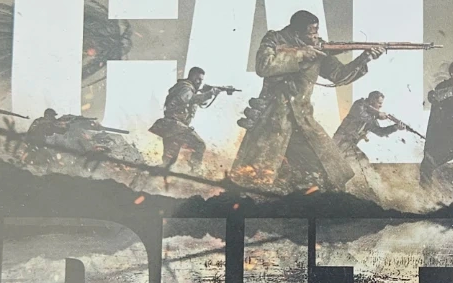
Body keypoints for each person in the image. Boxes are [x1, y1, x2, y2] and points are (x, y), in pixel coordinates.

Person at [230, 10, 382, 191]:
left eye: (316, 31)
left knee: (328, 168)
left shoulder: (317, 47)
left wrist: (364, 59)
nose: (315, 36)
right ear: (296, 33)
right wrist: (300, 54)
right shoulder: (275, 39)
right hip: (272, 119)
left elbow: (338, 75)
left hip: (302, 120)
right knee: (256, 176)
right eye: (311, 32)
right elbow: (264, 66)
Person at [149, 67, 220, 171]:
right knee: (199, 145)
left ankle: (146, 175)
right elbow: (189, 99)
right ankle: (195, 172)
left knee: (168, 163)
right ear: (192, 76)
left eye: (201, 80)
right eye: (198, 79)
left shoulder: (185, 88)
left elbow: (197, 102)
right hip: (175, 125)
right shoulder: (186, 88)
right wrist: (210, 94)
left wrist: (205, 93)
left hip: (171, 127)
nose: (200, 82)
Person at [332, 90, 401, 165]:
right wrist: (377, 115)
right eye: (379, 103)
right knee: (362, 161)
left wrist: (395, 127)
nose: (381, 106)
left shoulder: (371, 117)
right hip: (340, 140)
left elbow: (380, 132)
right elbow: (362, 116)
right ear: (372, 101)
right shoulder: (359, 104)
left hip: (349, 144)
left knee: (360, 162)